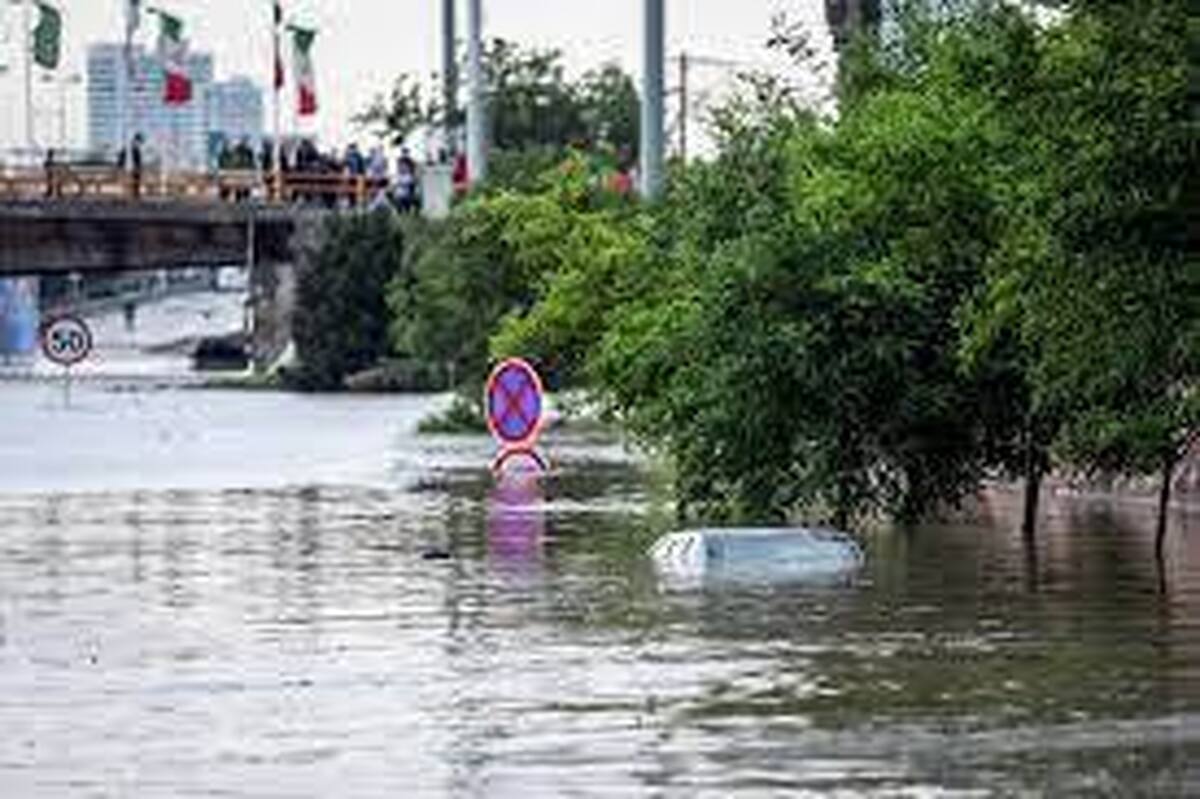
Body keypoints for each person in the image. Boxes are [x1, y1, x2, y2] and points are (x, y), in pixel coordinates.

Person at [395, 147, 419, 214]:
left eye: (406, 152)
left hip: (409, 182)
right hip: (402, 181)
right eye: (404, 152)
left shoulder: (411, 161)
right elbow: (399, 169)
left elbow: (414, 170)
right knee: (399, 197)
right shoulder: (400, 160)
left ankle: (410, 208)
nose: (405, 153)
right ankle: (401, 209)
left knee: (410, 197)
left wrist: (413, 178)